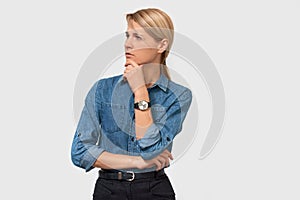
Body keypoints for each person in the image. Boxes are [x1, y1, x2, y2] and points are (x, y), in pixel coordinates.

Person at [71, 8, 192, 200]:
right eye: (127, 36)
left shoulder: (178, 96)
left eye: (138, 37)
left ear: (161, 45)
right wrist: (137, 162)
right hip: (108, 191)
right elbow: (80, 152)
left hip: (154, 191)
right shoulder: (102, 89)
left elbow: (150, 148)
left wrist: (140, 91)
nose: (127, 44)